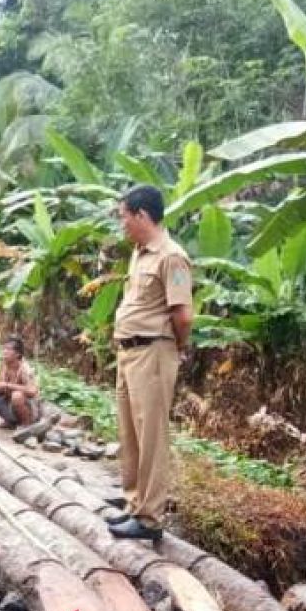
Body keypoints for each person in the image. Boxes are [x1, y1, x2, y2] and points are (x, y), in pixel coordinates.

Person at [108, 185, 194, 542]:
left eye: (125, 216)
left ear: (142, 215)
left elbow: (184, 315)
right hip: (129, 353)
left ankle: (149, 517)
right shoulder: (139, 254)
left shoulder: (172, 257)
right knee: (130, 430)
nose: (123, 224)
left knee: (151, 435)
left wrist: (174, 347)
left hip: (153, 353)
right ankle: (134, 503)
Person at [0, 337, 41, 428]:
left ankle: (26, 425)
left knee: (17, 396)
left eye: (8, 349)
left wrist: (7, 385)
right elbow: (0, 384)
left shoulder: (24, 368)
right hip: (10, 403)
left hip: (30, 408)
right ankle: (10, 421)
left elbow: (32, 391)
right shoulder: (4, 364)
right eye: (4, 348)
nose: (4, 352)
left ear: (18, 354)